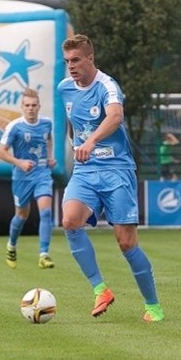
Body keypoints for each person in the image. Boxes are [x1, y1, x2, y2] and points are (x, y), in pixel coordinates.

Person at [57, 34, 164, 323]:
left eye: (76, 60)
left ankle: (153, 306)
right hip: (86, 170)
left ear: (90, 58)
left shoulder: (107, 86)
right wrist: (75, 145)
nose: (71, 66)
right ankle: (100, 289)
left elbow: (115, 117)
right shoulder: (64, 88)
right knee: (69, 221)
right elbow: (72, 122)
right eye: (67, 61)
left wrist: (91, 141)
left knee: (126, 243)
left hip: (117, 169)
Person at [0, 88, 56, 269]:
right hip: (22, 177)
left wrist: (50, 157)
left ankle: (44, 254)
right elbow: (1, 152)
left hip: (42, 173)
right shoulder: (15, 127)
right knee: (21, 216)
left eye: (34, 105)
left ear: (39, 106)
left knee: (46, 212)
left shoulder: (46, 123)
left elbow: (49, 139)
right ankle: (11, 245)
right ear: (22, 107)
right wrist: (19, 162)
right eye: (27, 105)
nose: (30, 108)